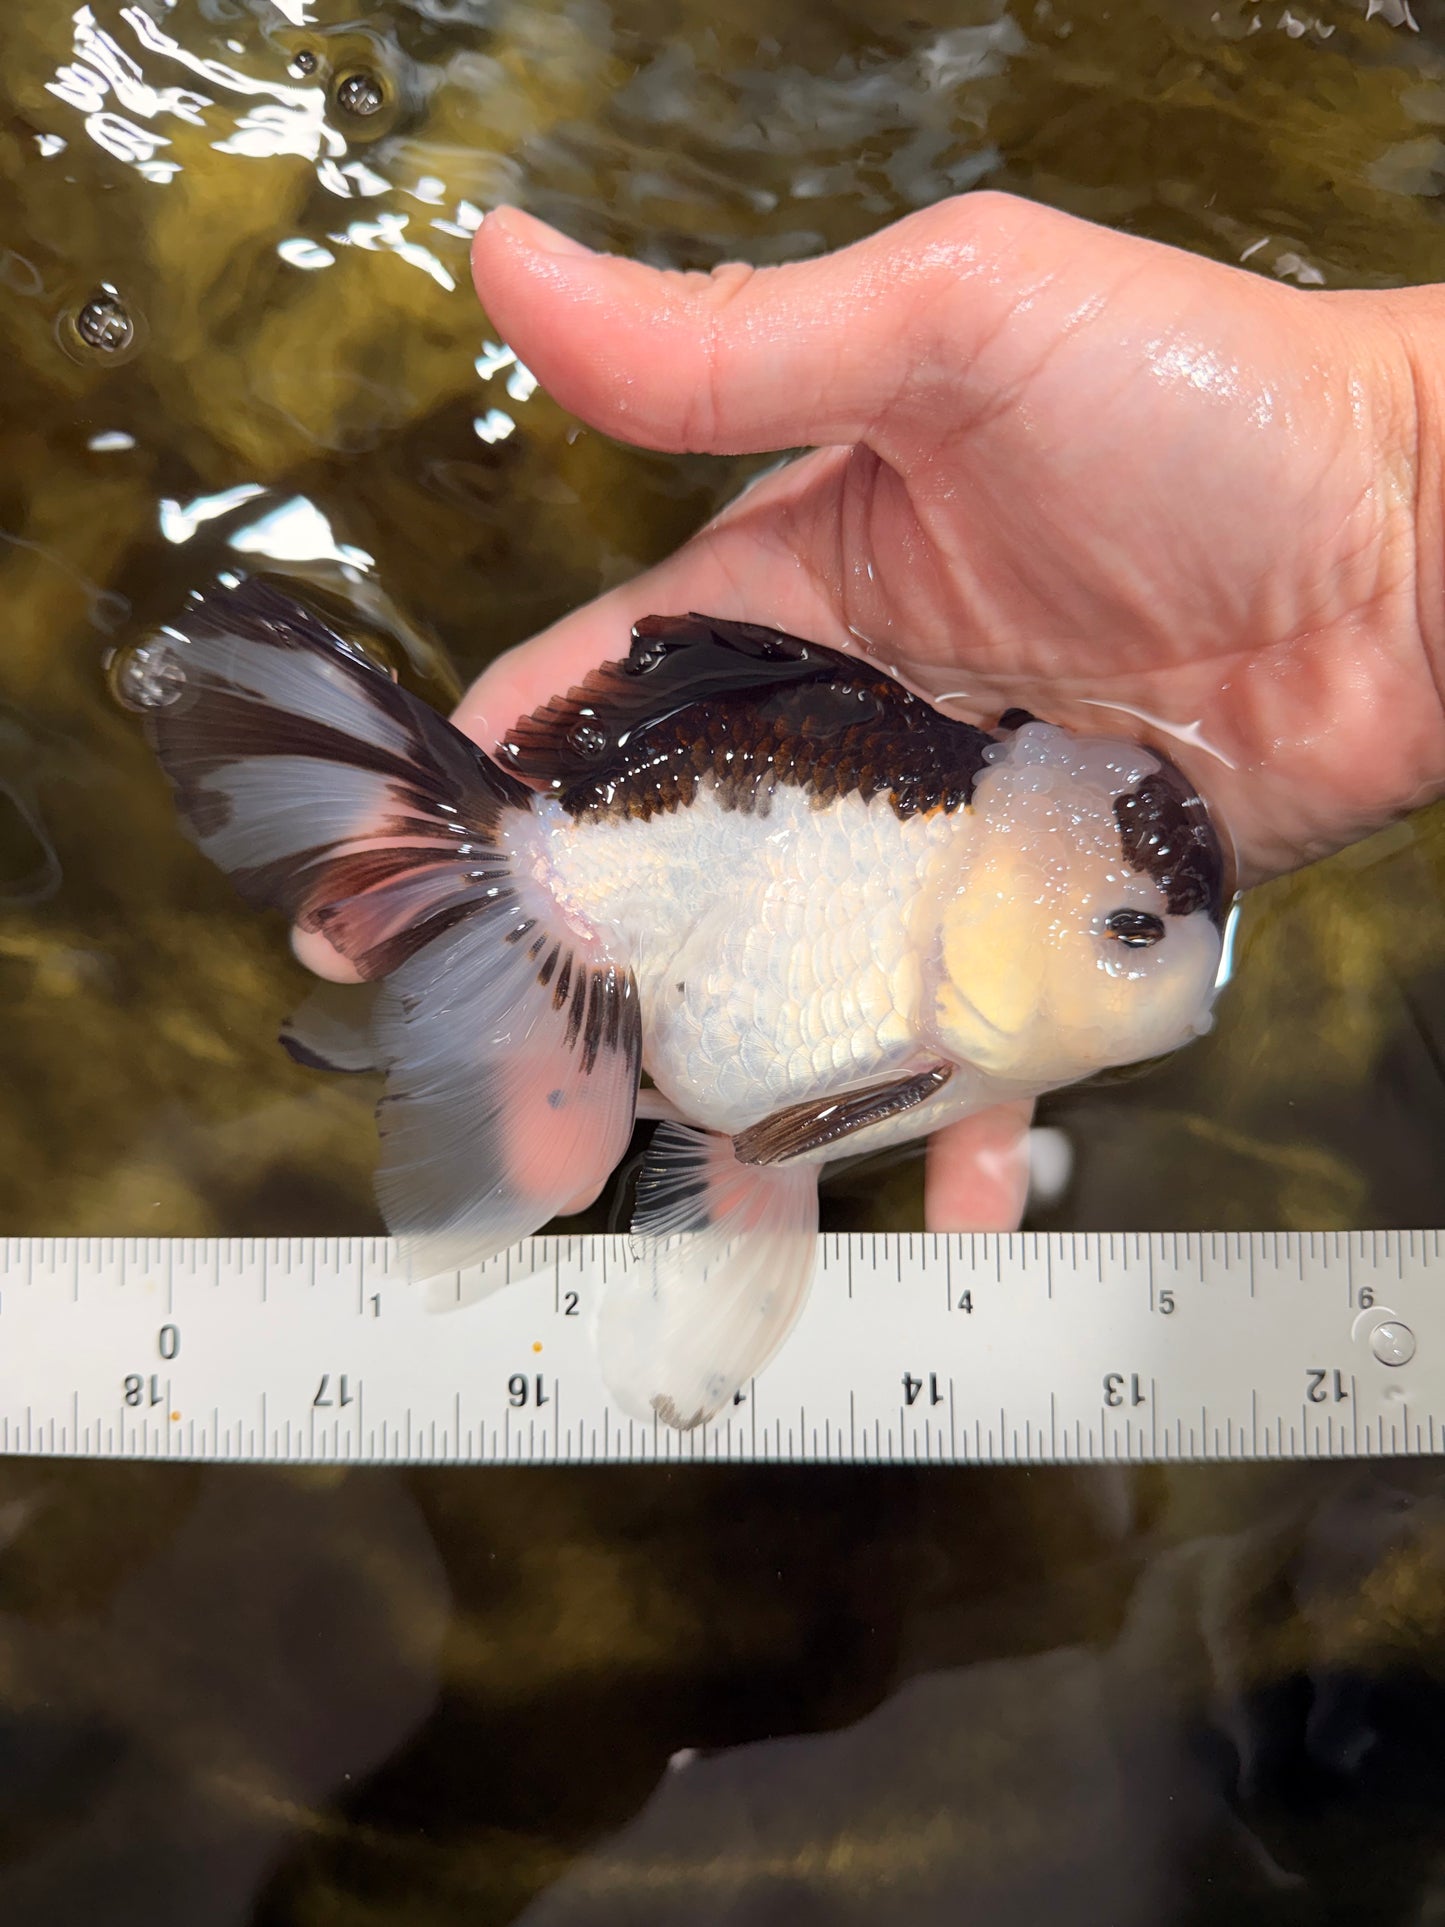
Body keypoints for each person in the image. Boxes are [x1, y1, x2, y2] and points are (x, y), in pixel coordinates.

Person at [300, 191, 1445, 1230]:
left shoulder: (970, 943)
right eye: (1126, 933)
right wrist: (1397, 480)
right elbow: (768, 1134)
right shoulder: (946, 972)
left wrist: (1407, 475)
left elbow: (771, 1133)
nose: (1171, 971)